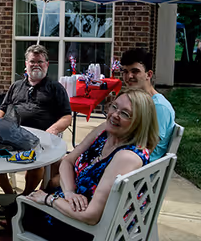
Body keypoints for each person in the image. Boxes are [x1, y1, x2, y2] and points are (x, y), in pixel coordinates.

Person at [15, 88, 159, 240]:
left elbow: (91, 216)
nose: (115, 115)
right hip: (76, 206)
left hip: (90, 229)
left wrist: (49, 200)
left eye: (125, 114)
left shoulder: (126, 157)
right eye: (114, 107)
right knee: (19, 205)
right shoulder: (105, 132)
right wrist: (70, 192)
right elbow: (68, 161)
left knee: (20, 209)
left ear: (139, 123)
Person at [0, 44, 72, 217]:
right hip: (12, 136)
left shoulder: (55, 88)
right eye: (32, 62)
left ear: (47, 64)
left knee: (35, 164)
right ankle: (10, 195)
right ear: (26, 64)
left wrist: (52, 130)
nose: (36, 65)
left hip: (40, 139)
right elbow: (3, 108)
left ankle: (25, 196)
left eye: (40, 62)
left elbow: (67, 116)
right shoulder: (16, 86)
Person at [121, 48, 175, 161]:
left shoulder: (159, 107)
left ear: (148, 74)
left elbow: (147, 148)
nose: (129, 76)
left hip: (140, 170)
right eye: (125, 71)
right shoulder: (136, 101)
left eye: (135, 71)